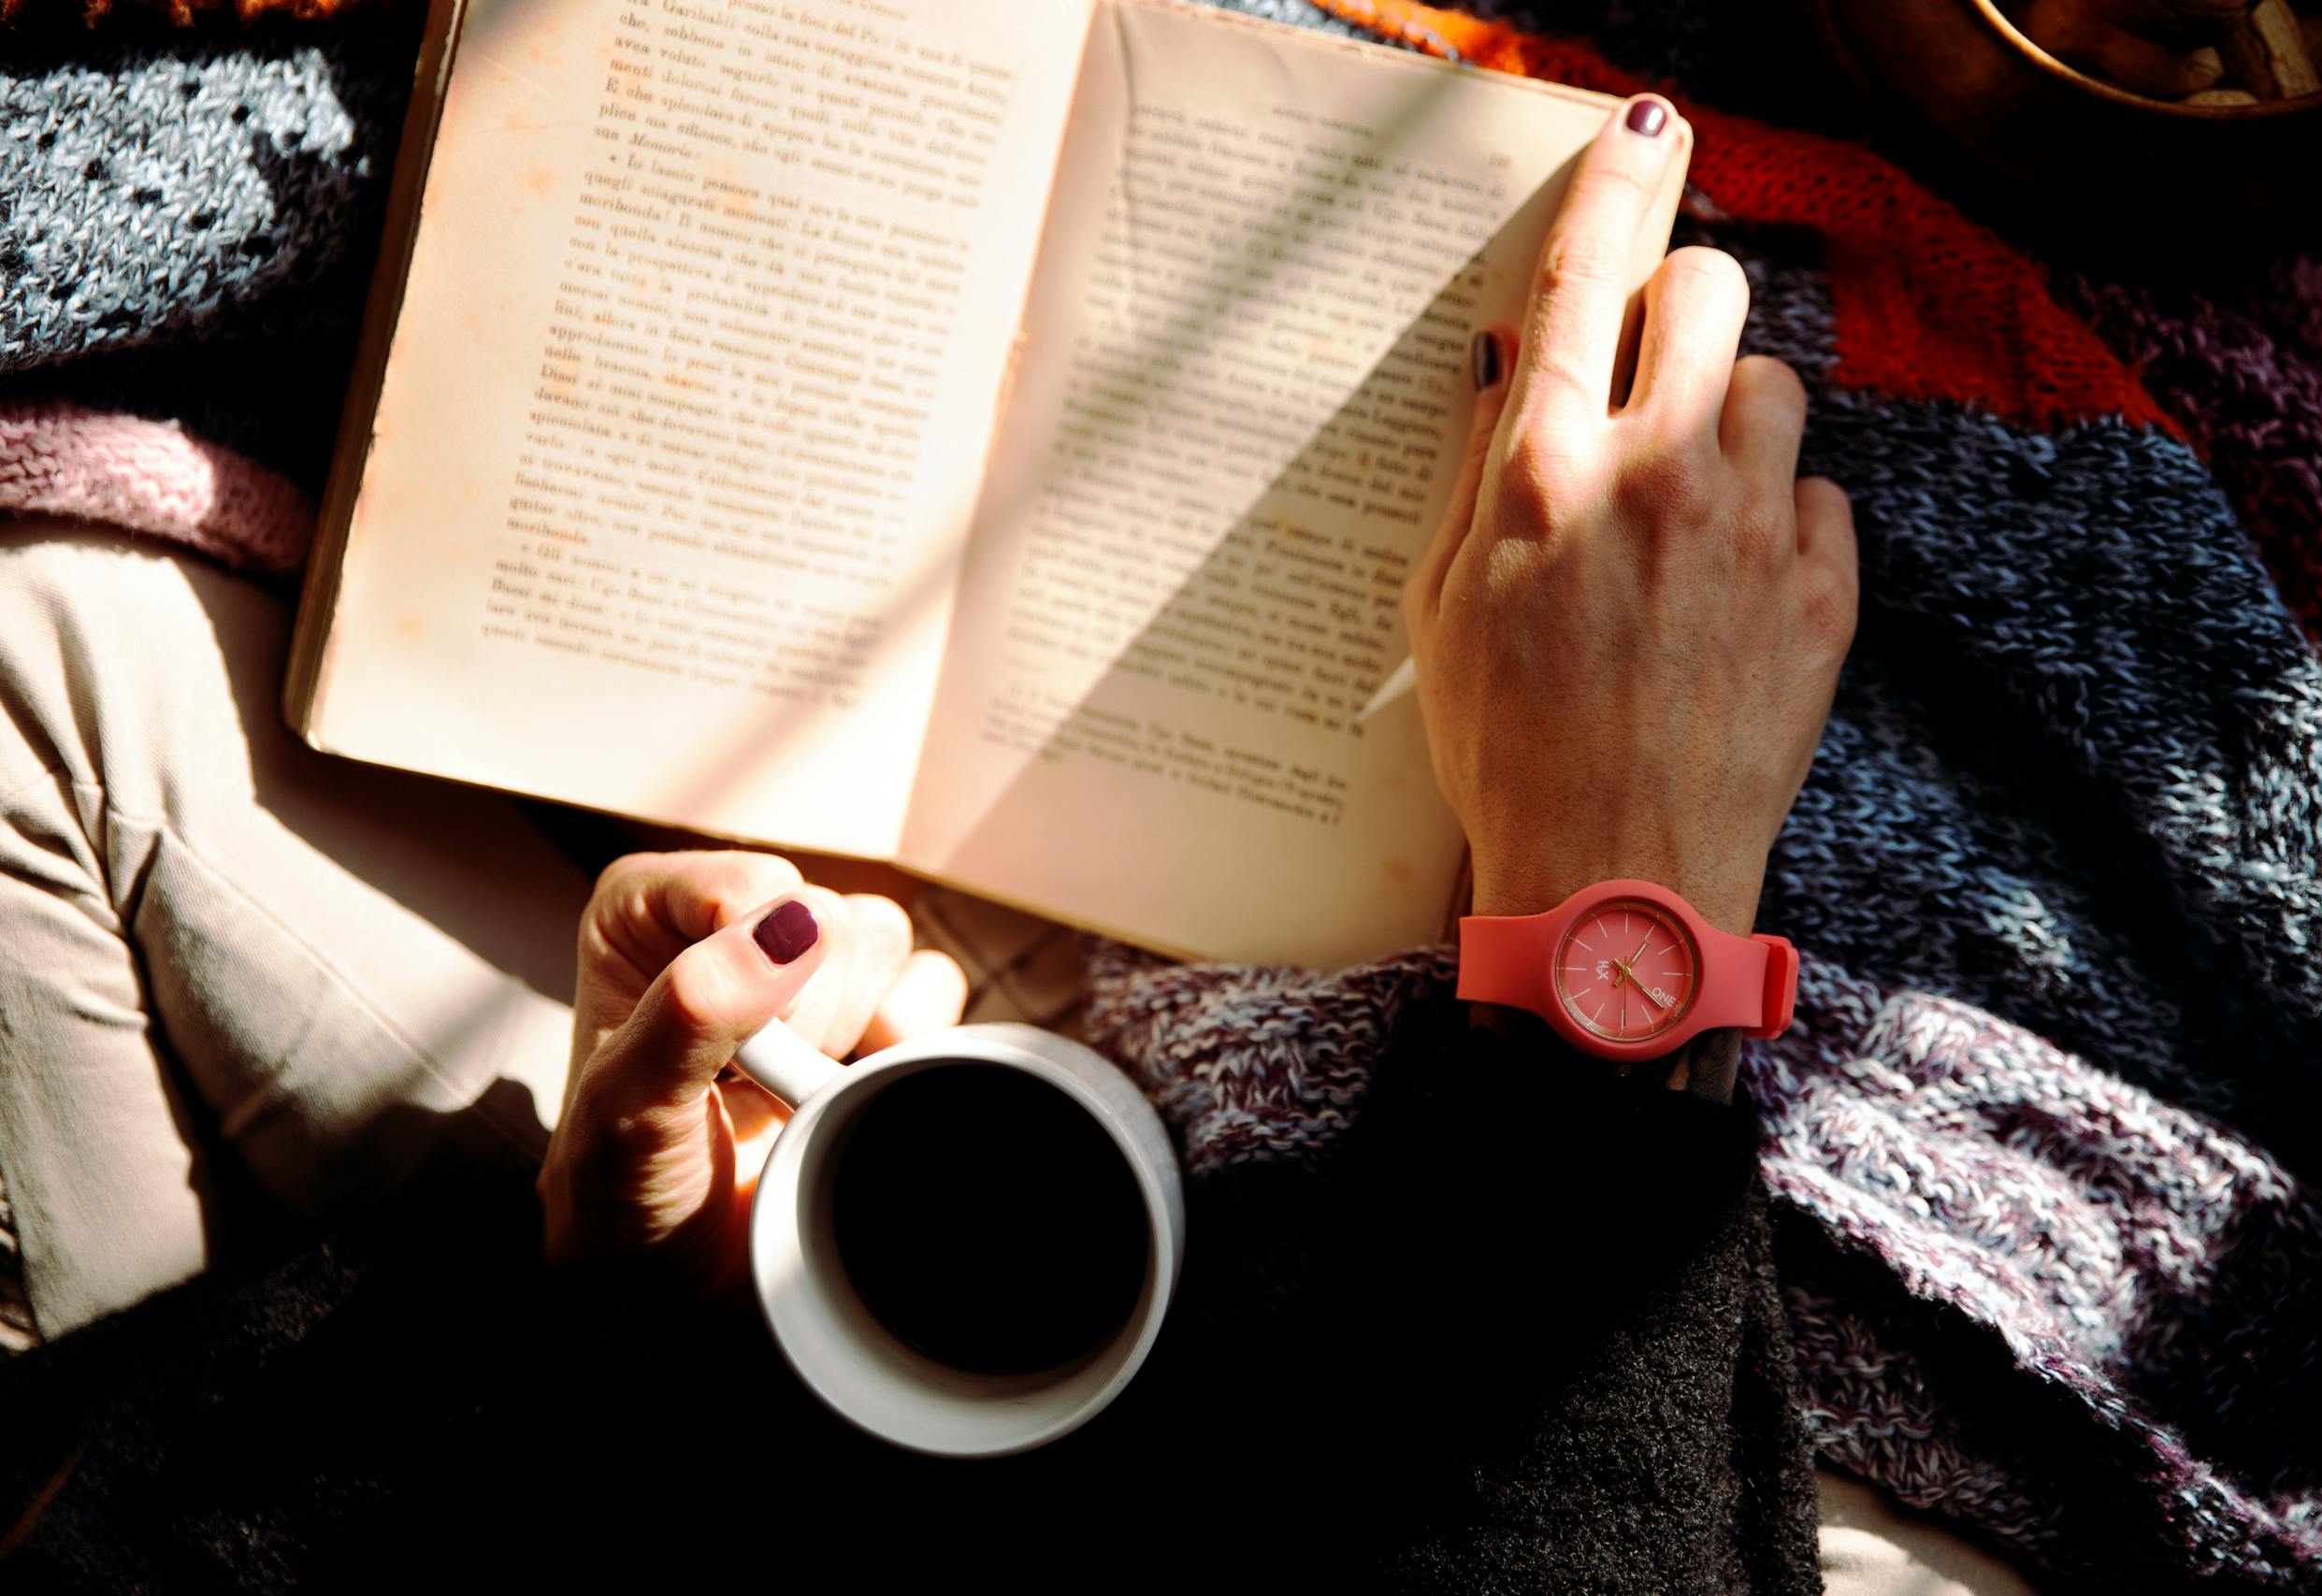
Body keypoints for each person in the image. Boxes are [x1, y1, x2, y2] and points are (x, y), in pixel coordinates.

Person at [0, 96, 2033, 1593]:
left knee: (42, 640)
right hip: (1488, 1315)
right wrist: (1617, 927)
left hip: (703, 1411)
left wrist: (612, 1319)